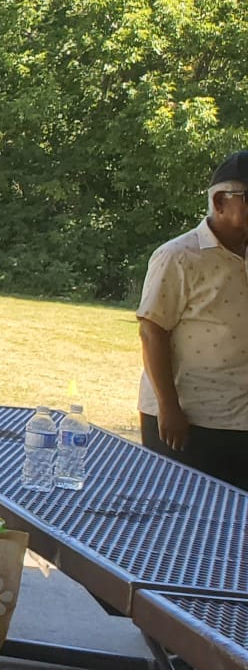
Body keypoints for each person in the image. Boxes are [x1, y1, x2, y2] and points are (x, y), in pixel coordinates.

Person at [136, 150, 248, 489]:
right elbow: (152, 331)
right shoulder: (178, 256)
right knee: (183, 513)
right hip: (189, 420)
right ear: (219, 201)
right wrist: (168, 408)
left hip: (241, 420)